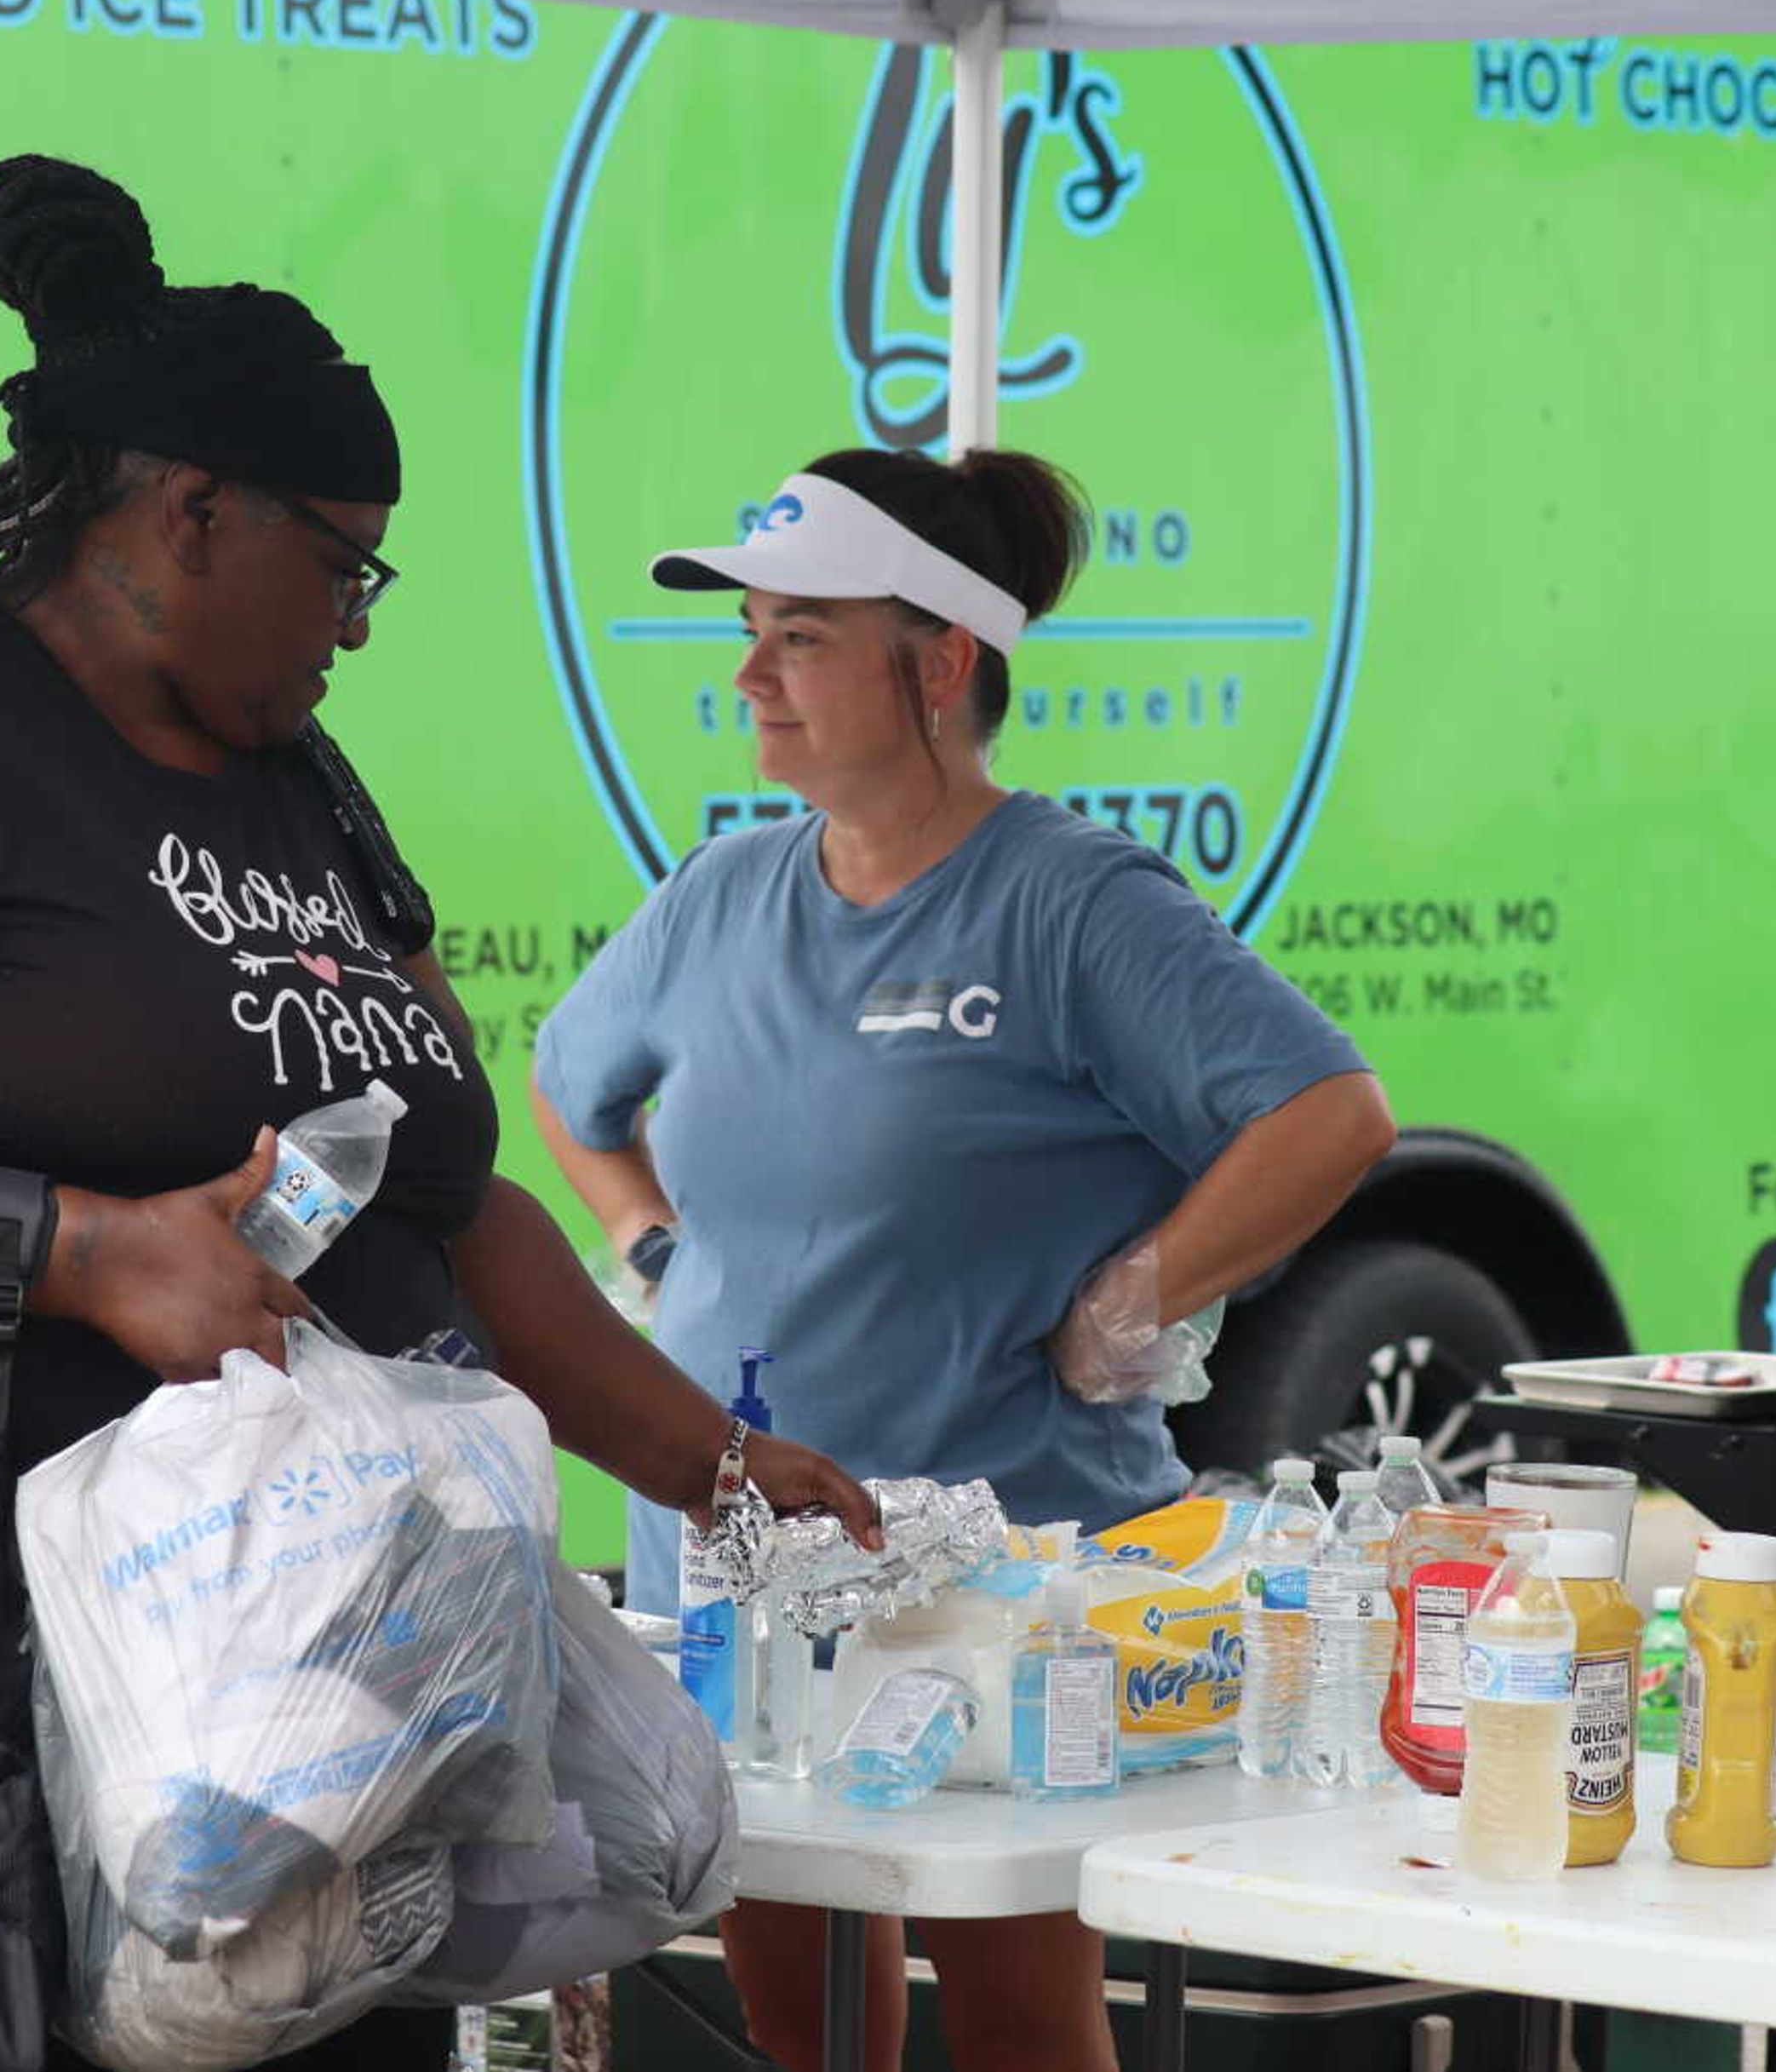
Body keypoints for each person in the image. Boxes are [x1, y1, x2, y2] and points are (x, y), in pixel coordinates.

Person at [0, 154, 878, 2072]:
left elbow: (450, 1196)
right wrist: (93, 1253)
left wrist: (709, 1465)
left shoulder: (300, 778)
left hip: (345, 1694)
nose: (358, 617)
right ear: (191, 513)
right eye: (341, 559)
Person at [530, 445, 1395, 2072]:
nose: (748, 675)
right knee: (802, 2038)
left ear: (936, 663)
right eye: (752, 631)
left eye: (799, 635)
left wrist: (1132, 1299)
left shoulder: (1073, 904)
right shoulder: (720, 895)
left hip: (997, 1612)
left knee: (1015, 2042)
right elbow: (571, 1086)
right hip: (733, 1595)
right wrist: (653, 1239)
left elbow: (1330, 1113)